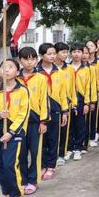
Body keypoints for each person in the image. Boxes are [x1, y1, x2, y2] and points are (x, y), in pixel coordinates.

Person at [0, 59, 30, 197]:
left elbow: (23, 114)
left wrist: (11, 132)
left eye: (10, 67)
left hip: (15, 135)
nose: (6, 70)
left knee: (10, 165)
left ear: (17, 72)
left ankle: (17, 194)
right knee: (0, 166)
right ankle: (7, 194)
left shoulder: (23, 90)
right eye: (3, 67)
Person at [18, 47, 48, 195]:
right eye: (26, 59)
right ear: (20, 61)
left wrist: (43, 121)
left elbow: (44, 100)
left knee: (35, 151)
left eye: (33, 59)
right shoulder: (15, 78)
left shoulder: (41, 78)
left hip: (35, 121)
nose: (30, 62)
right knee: (21, 153)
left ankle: (33, 180)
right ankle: (23, 180)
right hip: (18, 122)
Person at [38, 43, 68, 180]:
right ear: (41, 55)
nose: (52, 56)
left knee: (53, 138)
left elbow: (63, 93)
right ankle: (42, 165)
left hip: (55, 110)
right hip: (39, 111)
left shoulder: (59, 72)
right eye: (49, 54)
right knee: (41, 140)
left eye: (53, 54)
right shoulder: (36, 72)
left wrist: (64, 112)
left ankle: (51, 165)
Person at [54, 42, 77, 164]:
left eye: (66, 52)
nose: (65, 54)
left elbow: (73, 87)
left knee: (64, 130)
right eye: (63, 52)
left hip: (65, 103)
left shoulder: (69, 69)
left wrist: (74, 101)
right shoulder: (50, 68)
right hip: (52, 103)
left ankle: (61, 154)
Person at [69, 43, 91, 161]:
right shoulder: (66, 68)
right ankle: (69, 148)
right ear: (70, 53)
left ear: (82, 54)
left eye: (79, 51)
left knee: (80, 124)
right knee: (70, 125)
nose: (76, 54)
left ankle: (78, 147)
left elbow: (88, 87)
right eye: (74, 51)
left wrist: (87, 103)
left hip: (81, 99)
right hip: (69, 100)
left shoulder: (86, 69)